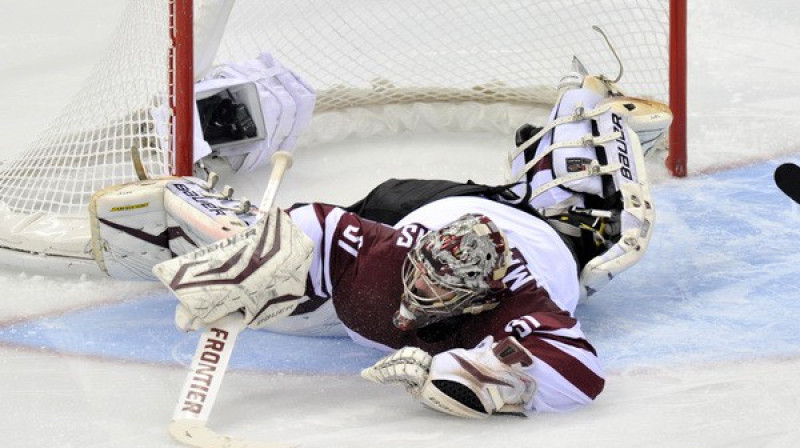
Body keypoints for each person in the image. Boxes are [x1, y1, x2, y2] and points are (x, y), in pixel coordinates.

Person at [96, 60, 671, 418]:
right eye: (419, 277)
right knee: (290, 253)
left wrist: (464, 375)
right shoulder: (388, 252)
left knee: (580, 226)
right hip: (415, 206)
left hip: (548, 240)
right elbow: (314, 225)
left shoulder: (527, 306)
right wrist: (248, 262)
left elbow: (580, 378)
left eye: (439, 294)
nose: (416, 296)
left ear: (486, 293)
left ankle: (581, 134)